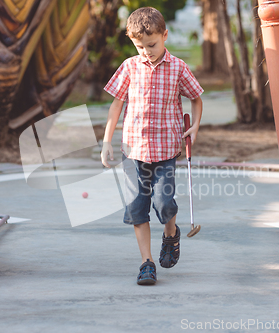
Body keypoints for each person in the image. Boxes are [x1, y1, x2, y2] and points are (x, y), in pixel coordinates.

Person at [101, 7, 203, 285]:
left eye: (152, 44)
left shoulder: (178, 67)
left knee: (164, 203)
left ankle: (171, 233)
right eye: (139, 46)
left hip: (166, 150)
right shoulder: (129, 67)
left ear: (164, 35)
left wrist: (194, 125)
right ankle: (146, 262)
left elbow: (196, 97)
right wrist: (107, 141)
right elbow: (116, 105)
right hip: (132, 151)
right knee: (137, 207)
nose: (146, 51)